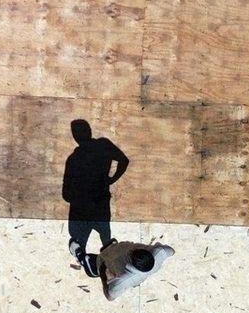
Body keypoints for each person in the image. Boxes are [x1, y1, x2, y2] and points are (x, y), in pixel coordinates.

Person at [63, 119, 130, 271]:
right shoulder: (103, 146)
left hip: (81, 207)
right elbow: (123, 160)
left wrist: (77, 195)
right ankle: (110, 265)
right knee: (106, 239)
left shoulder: (73, 159)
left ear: (75, 137)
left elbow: (66, 194)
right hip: (100, 203)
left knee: (80, 242)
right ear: (89, 131)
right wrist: (111, 179)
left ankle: (84, 261)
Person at [94, 240, 175, 301]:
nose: (131, 251)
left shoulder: (124, 280)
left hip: (105, 263)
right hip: (117, 249)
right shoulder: (159, 251)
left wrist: (103, 274)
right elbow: (171, 251)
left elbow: (110, 297)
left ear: (133, 265)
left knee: (97, 261)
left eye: (131, 254)